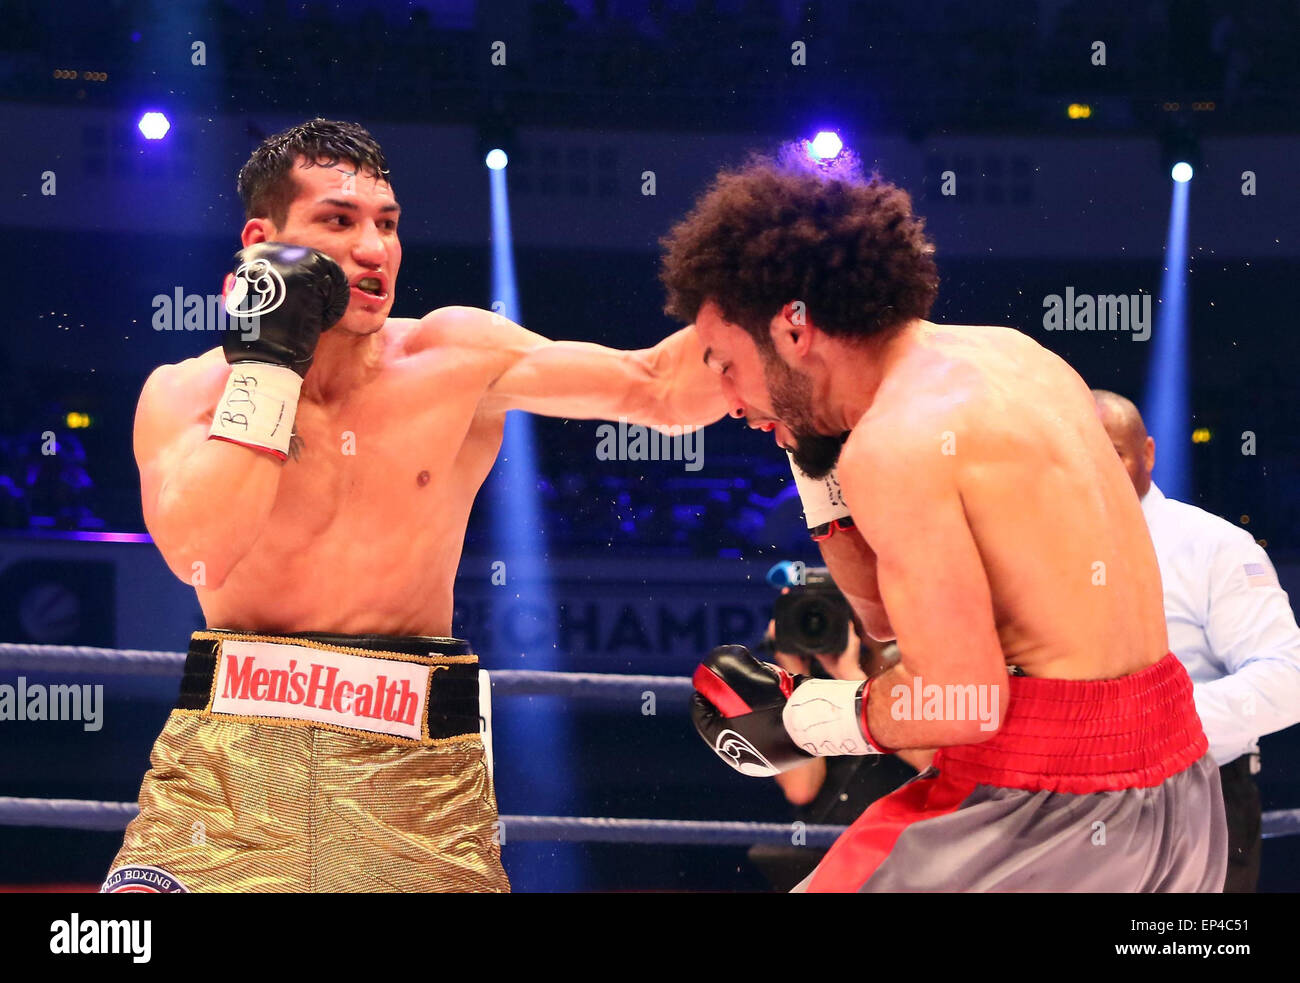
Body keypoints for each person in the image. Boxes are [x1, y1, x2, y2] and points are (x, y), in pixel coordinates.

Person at [101, 118, 726, 893]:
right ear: (263, 239)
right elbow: (202, 549)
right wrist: (269, 363)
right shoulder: (183, 392)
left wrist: (782, 284)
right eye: (339, 220)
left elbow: (661, 389)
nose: (374, 249)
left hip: (416, 779)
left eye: (387, 224)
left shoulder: (451, 357)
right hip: (225, 774)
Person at [670, 145, 1227, 891]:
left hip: (1046, 807)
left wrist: (805, 720)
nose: (731, 400)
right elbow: (886, 619)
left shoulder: (897, 443)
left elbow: (963, 700)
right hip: (1180, 793)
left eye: (725, 361)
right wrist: (814, 469)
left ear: (794, 330)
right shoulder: (1014, 354)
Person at [1094, 389, 1300, 892]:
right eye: (1080, 458)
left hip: (1199, 798)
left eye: (1112, 455)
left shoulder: (1215, 546)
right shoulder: (1036, 550)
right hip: (1074, 805)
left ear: (1147, 453)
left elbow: (1288, 679)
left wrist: (1151, 723)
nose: (1094, 472)